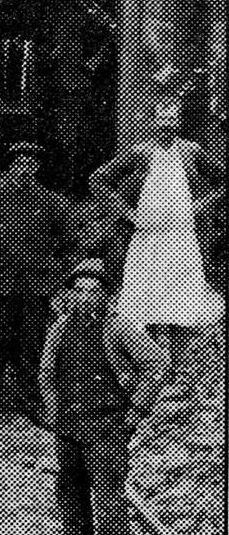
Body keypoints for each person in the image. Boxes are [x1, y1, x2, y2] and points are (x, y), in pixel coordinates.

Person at [35, 255, 168, 535]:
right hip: (68, 424)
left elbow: (155, 364)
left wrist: (136, 410)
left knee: (108, 491)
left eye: (93, 291)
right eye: (79, 290)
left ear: (106, 295)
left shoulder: (118, 326)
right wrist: (54, 410)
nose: (85, 297)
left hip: (107, 424)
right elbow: (47, 373)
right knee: (70, 487)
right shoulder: (60, 327)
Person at [90, 99, 223, 372]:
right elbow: (98, 179)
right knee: (149, 302)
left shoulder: (190, 151)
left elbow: (222, 180)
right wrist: (128, 213)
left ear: (178, 123)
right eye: (162, 123)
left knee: (181, 301)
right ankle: (156, 369)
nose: (166, 128)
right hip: (148, 239)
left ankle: (178, 372)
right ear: (153, 123)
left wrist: (200, 206)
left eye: (172, 123)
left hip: (181, 238)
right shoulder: (139, 152)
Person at [0, 141, 76, 417]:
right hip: (1, 284)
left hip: (37, 285)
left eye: (30, 163)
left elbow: (71, 242)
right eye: (19, 162)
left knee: (32, 346)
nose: (24, 168)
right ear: (11, 166)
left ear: (37, 167)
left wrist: (57, 273)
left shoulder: (50, 201)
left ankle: (32, 404)